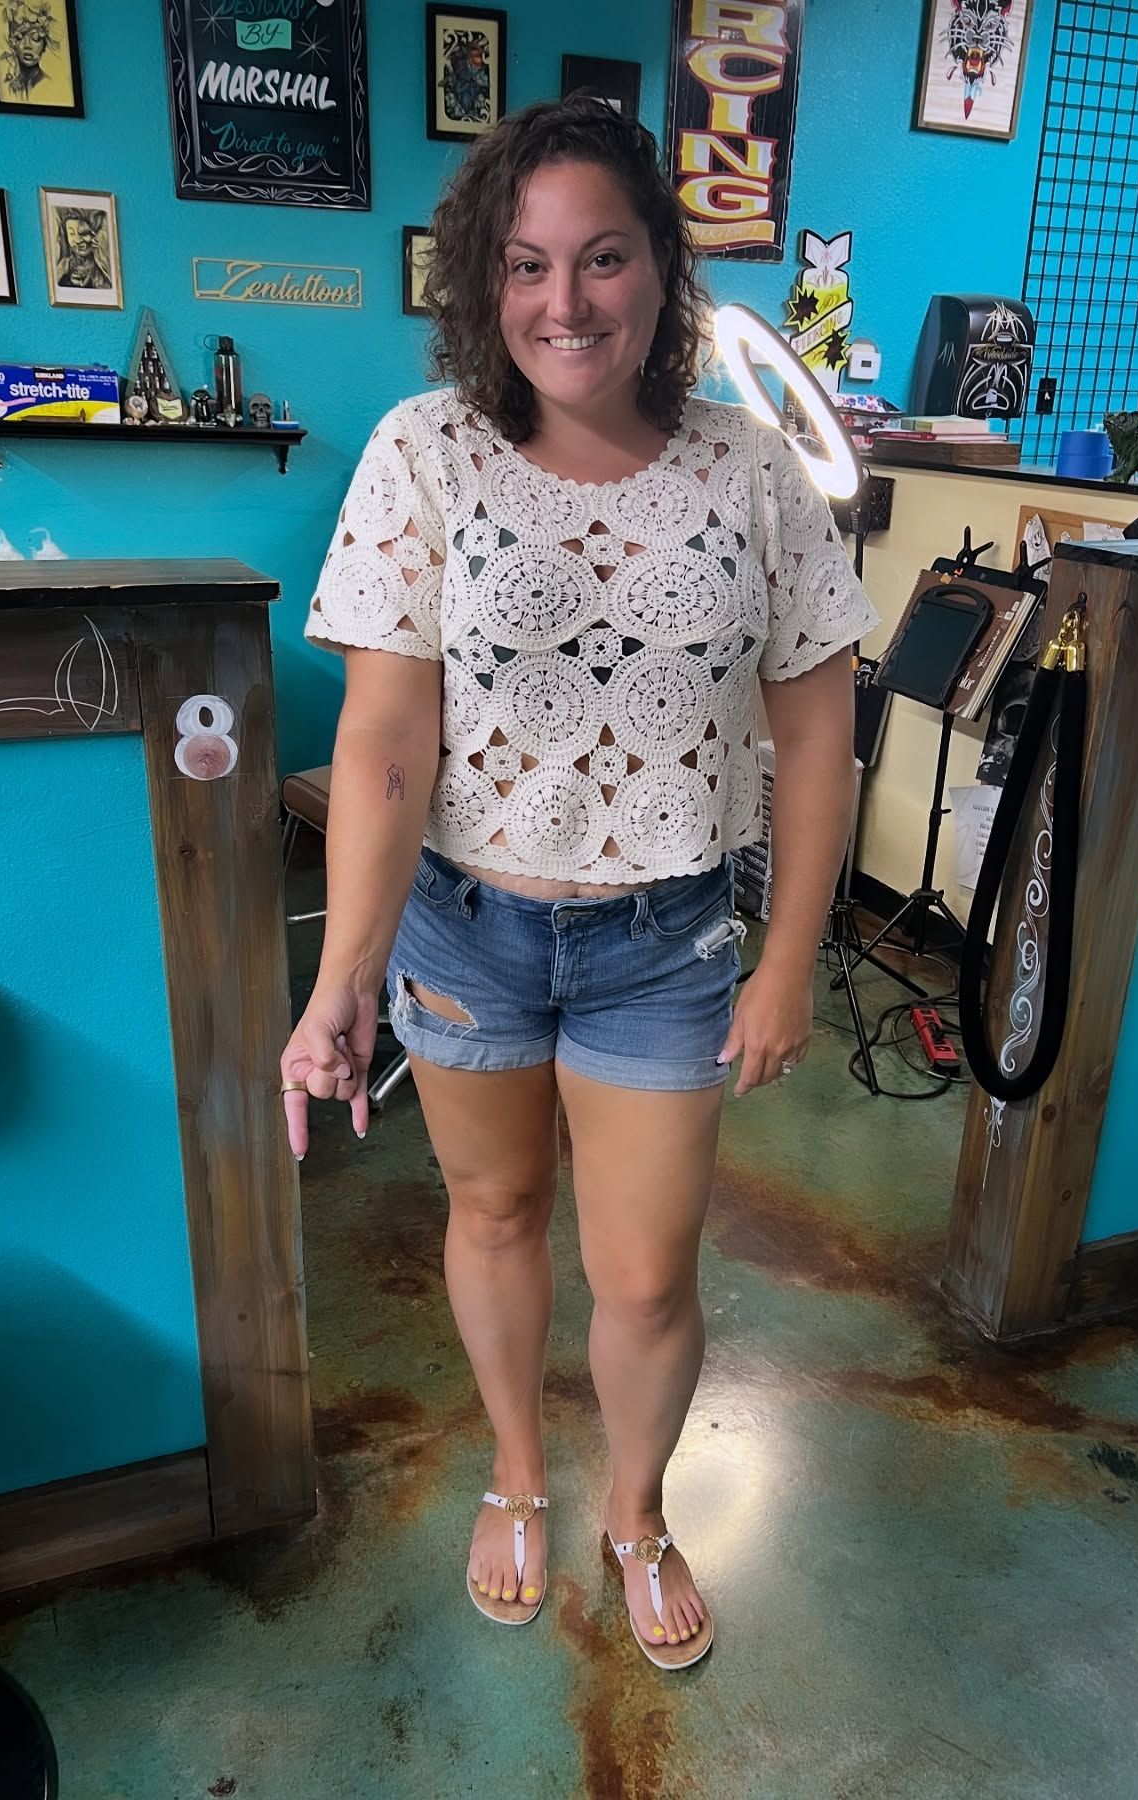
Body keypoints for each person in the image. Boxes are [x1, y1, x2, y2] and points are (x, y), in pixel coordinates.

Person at [281, 96, 877, 1671]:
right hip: (466, 924)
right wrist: (343, 973)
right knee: (493, 1210)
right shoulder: (425, 453)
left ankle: (637, 1508)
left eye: (604, 257)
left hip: (669, 938)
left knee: (642, 1267)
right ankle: (520, 1478)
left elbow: (819, 742)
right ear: (484, 282)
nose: (567, 303)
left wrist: (791, 957)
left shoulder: (754, 477)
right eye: (529, 265)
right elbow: (386, 741)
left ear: (660, 269)